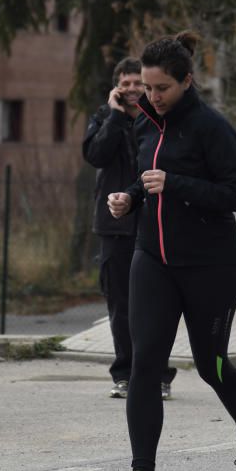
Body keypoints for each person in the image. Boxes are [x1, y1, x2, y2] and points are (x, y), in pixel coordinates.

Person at [101, 31, 236, 471]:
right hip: (152, 258)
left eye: (162, 89)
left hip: (211, 267)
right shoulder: (145, 128)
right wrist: (130, 197)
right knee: (144, 365)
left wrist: (172, 183)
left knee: (211, 364)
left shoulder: (212, 129)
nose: (152, 97)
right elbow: (146, 177)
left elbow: (235, 195)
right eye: (147, 89)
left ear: (186, 81)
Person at [82, 57, 177, 400]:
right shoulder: (103, 118)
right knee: (119, 306)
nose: (133, 89)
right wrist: (115, 116)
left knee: (158, 306)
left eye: (138, 83)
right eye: (126, 84)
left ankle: (159, 375)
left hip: (154, 224)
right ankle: (124, 374)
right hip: (115, 227)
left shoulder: (160, 120)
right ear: (116, 88)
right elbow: (96, 155)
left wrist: (139, 118)